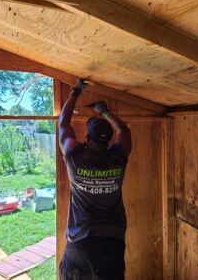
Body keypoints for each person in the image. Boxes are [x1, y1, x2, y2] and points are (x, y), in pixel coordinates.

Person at [59, 79, 132, 280]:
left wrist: (76, 91)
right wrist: (106, 112)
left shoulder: (75, 157)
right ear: (108, 140)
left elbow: (63, 123)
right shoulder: (118, 157)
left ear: (87, 139)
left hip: (80, 242)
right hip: (112, 242)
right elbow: (124, 132)